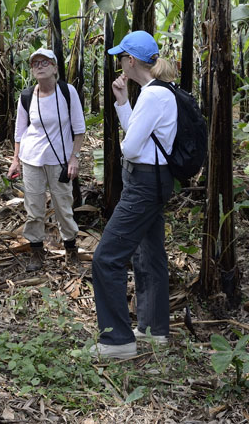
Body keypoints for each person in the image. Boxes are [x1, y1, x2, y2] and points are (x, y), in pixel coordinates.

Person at [90, 31, 177, 360]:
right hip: (152, 180)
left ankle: (117, 341)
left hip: (143, 184)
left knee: (106, 258)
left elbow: (129, 146)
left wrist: (128, 112)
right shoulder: (157, 92)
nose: (119, 64)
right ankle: (154, 329)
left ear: (130, 61)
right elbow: (139, 139)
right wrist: (123, 103)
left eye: (120, 58)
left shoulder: (154, 96)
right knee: (148, 255)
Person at [8, 48, 85, 271]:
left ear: (54, 67)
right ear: (32, 70)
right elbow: (20, 130)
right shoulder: (27, 96)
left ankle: (71, 252)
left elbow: (79, 129)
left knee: (64, 207)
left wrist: (74, 158)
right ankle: (36, 252)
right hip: (32, 159)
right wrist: (15, 160)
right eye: (35, 64)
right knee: (34, 208)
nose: (39, 66)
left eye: (44, 62)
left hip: (60, 161)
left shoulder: (67, 92)